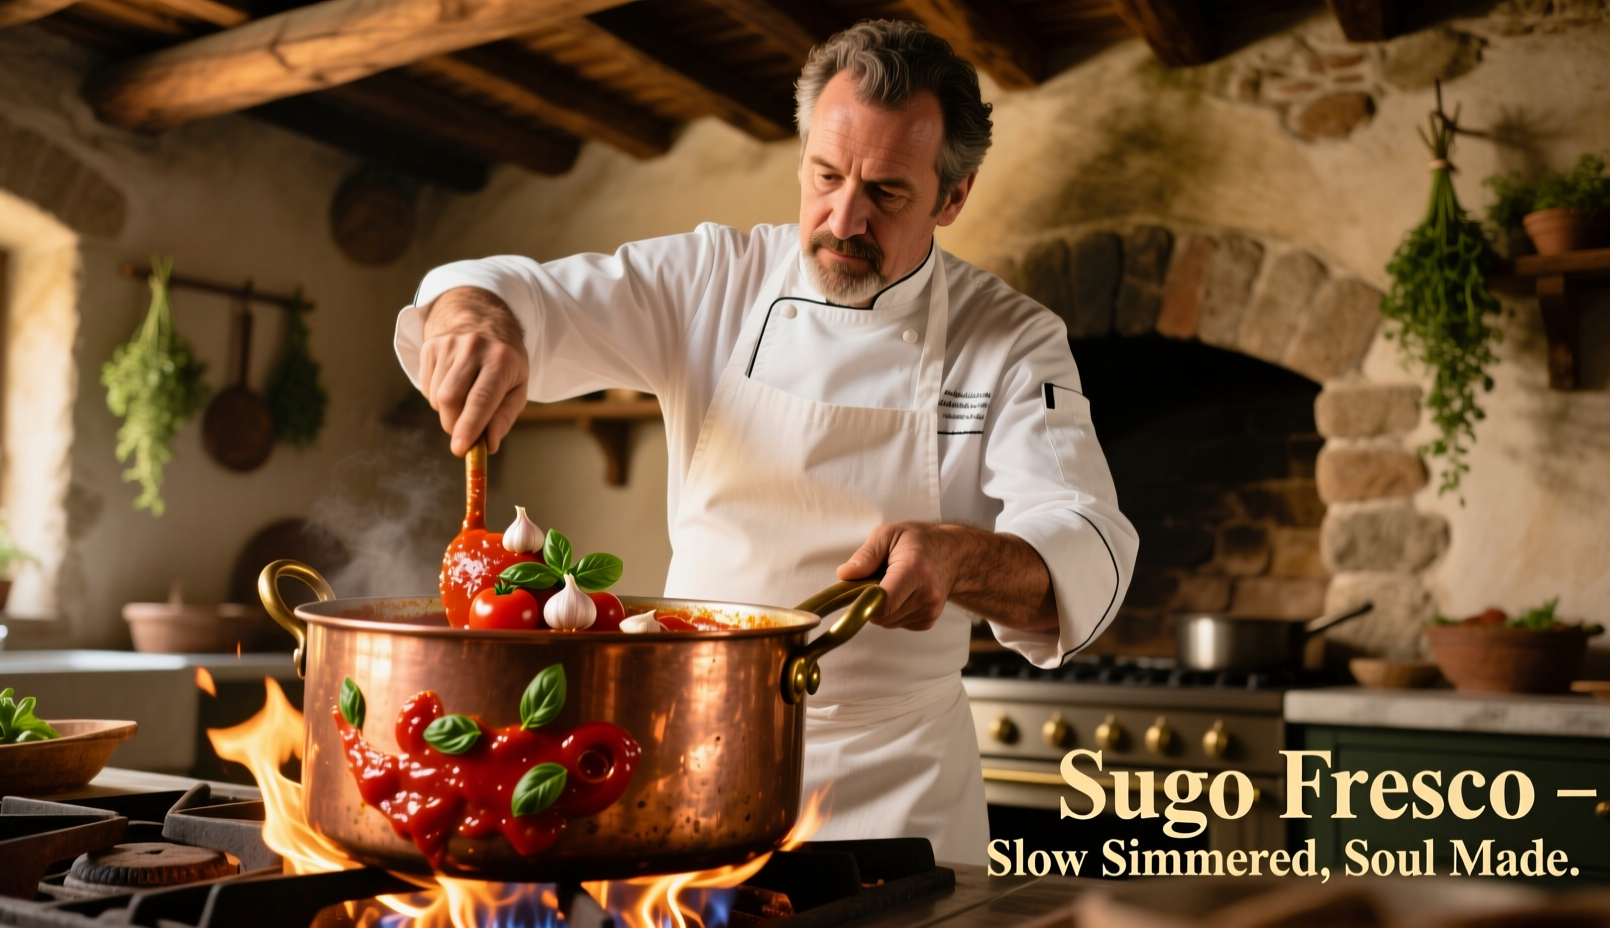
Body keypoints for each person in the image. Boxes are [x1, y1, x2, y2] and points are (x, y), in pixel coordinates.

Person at [394, 21, 1138, 865]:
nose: (842, 218)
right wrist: (477, 320)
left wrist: (960, 559)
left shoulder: (1009, 340)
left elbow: (1087, 542)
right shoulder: (713, 279)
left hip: (892, 789)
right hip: (690, 751)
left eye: (887, 193)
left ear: (952, 196)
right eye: (825, 176)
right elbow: (506, 289)